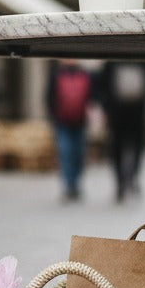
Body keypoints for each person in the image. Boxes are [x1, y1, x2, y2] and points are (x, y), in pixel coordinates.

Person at [96, 60, 145, 202]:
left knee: (138, 146)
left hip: (138, 110)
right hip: (117, 111)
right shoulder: (111, 62)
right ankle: (120, 182)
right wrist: (105, 106)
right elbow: (102, 85)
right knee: (116, 148)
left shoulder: (144, 61)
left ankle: (133, 177)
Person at [45, 59, 93, 201]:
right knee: (65, 153)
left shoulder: (85, 74)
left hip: (80, 121)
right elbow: (50, 97)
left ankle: (75, 183)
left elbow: (92, 96)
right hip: (62, 122)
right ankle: (69, 185)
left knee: (78, 154)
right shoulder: (56, 75)